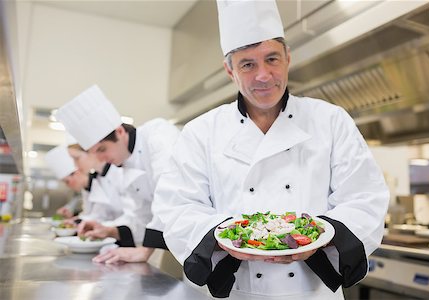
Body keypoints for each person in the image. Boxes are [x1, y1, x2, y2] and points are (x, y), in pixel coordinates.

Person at [152, 0, 390, 299]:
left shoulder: (331, 120)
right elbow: (178, 206)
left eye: (272, 59)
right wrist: (231, 236)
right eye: (248, 64)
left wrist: (321, 237)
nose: (263, 75)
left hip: (311, 292)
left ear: (288, 58)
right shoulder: (202, 131)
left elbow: (364, 197)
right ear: (229, 69)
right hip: (237, 291)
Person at [55, 85, 180, 263]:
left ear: (119, 132)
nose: (101, 158)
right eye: (94, 153)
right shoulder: (124, 162)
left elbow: (171, 194)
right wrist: (108, 230)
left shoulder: (158, 135)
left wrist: (144, 251)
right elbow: (139, 215)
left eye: (102, 149)